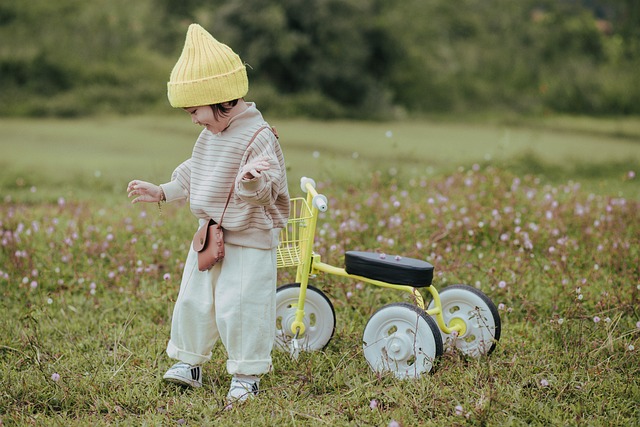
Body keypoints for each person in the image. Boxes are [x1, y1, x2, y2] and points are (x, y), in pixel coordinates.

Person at [126, 23, 289, 404]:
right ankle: (189, 362)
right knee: (194, 299)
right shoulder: (212, 133)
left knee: (242, 306)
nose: (194, 119)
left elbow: (268, 192)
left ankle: (247, 373)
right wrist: (163, 191)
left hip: (248, 239)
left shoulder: (258, 135)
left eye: (195, 110)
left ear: (221, 99)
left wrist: (250, 181)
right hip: (211, 235)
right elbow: (195, 170)